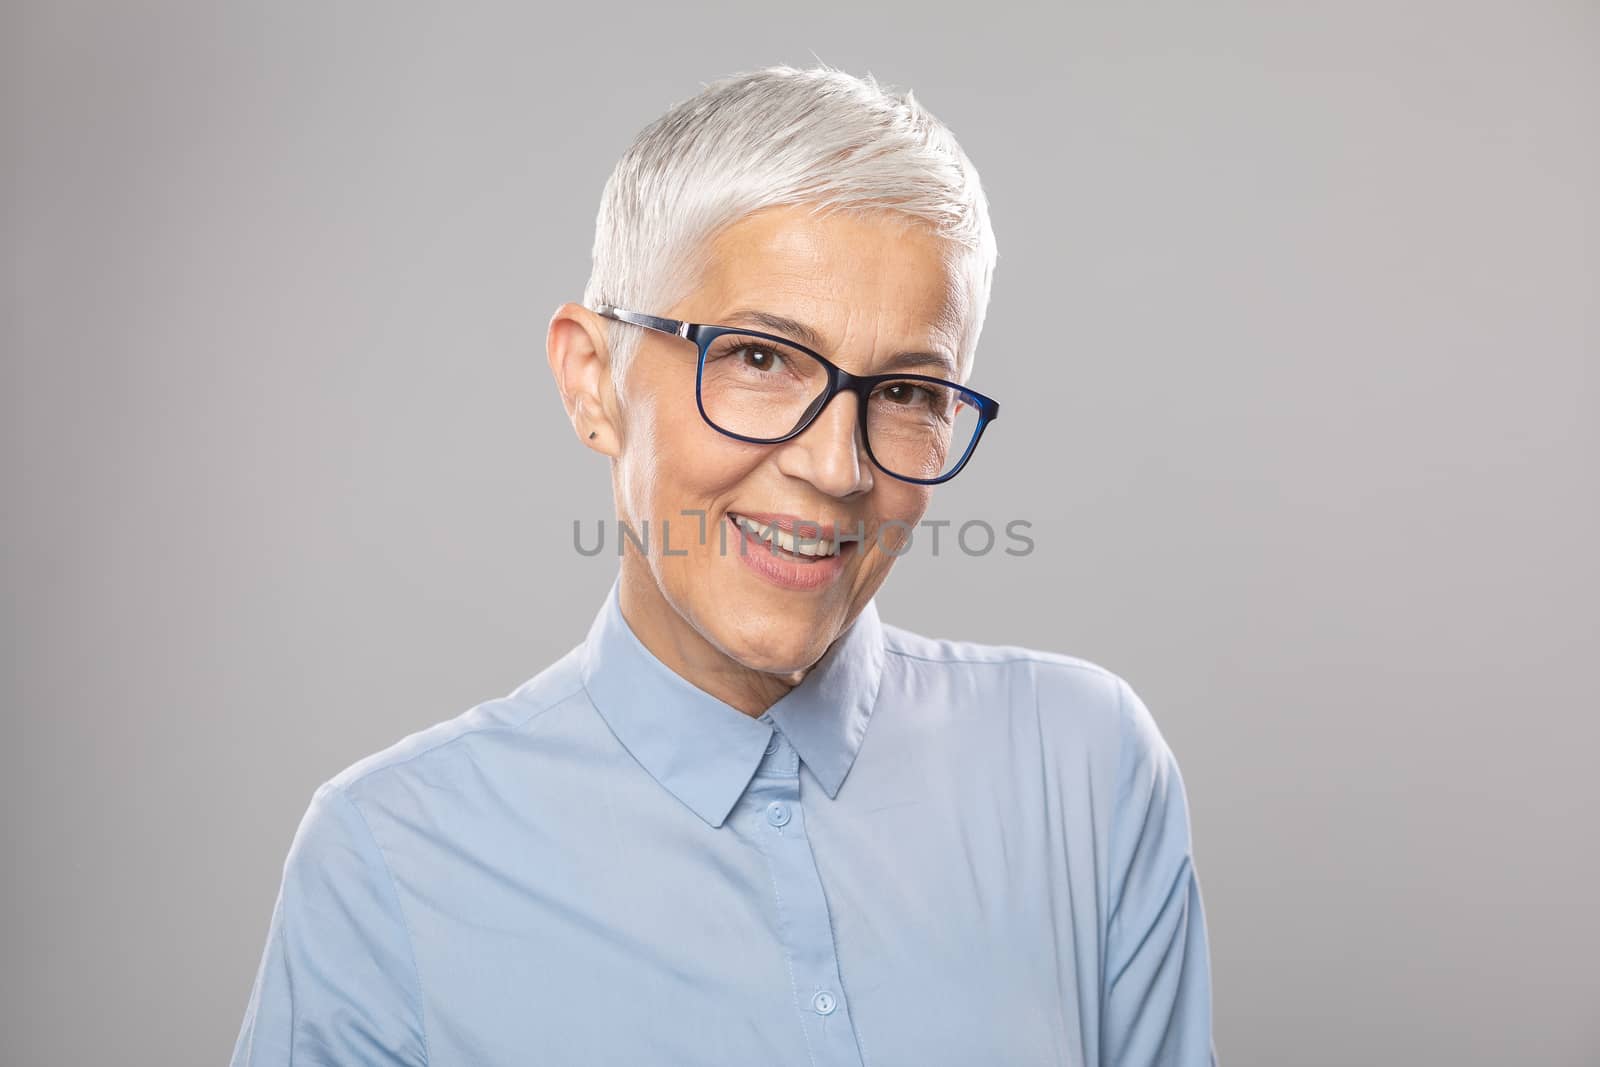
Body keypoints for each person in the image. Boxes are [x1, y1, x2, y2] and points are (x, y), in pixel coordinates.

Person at [231, 65, 1217, 1066]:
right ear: (592, 381)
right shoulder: (391, 860)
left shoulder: (1082, 767)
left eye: (909, 391)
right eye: (757, 358)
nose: (835, 467)